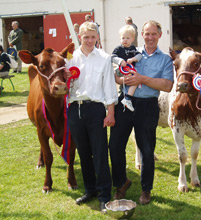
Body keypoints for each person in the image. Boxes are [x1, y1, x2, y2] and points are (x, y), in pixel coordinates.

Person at [109, 20, 173, 205]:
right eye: (147, 33)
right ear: (141, 35)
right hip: (126, 102)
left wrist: (142, 79)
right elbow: (117, 74)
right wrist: (121, 80)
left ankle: (146, 189)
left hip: (147, 105)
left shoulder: (165, 59)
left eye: (154, 34)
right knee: (115, 145)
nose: (150, 37)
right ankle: (121, 182)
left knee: (146, 149)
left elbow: (167, 85)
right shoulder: (129, 52)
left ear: (159, 35)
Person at [66, 21, 118, 212]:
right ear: (80, 37)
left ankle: (105, 195)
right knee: (83, 153)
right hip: (75, 109)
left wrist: (110, 113)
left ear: (97, 37)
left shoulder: (104, 58)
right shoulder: (70, 59)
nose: (89, 40)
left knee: (100, 154)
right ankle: (90, 190)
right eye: (85, 37)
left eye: (92, 37)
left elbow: (109, 88)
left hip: (96, 110)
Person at [111, 25, 142, 111]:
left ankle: (127, 98)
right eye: (123, 38)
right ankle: (125, 98)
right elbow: (112, 57)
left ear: (132, 39)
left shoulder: (133, 48)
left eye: (128, 38)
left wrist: (133, 59)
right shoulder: (118, 49)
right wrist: (120, 61)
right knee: (128, 82)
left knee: (135, 82)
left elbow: (140, 55)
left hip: (130, 71)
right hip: (120, 71)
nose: (125, 40)